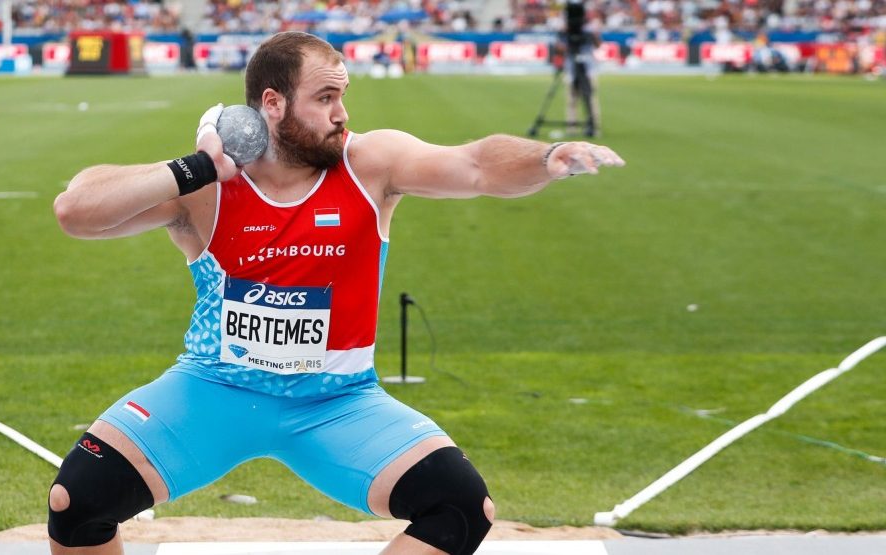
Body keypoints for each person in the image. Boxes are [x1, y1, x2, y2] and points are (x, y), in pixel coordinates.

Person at [49, 31, 624, 555]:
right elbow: (76, 211)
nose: (342, 115)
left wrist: (547, 159)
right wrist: (199, 165)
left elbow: (475, 165)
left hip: (337, 403)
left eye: (342, 96)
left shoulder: (370, 164)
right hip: (213, 389)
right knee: (76, 501)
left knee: (461, 508)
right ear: (271, 104)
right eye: (324, 98)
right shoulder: (206, 188)